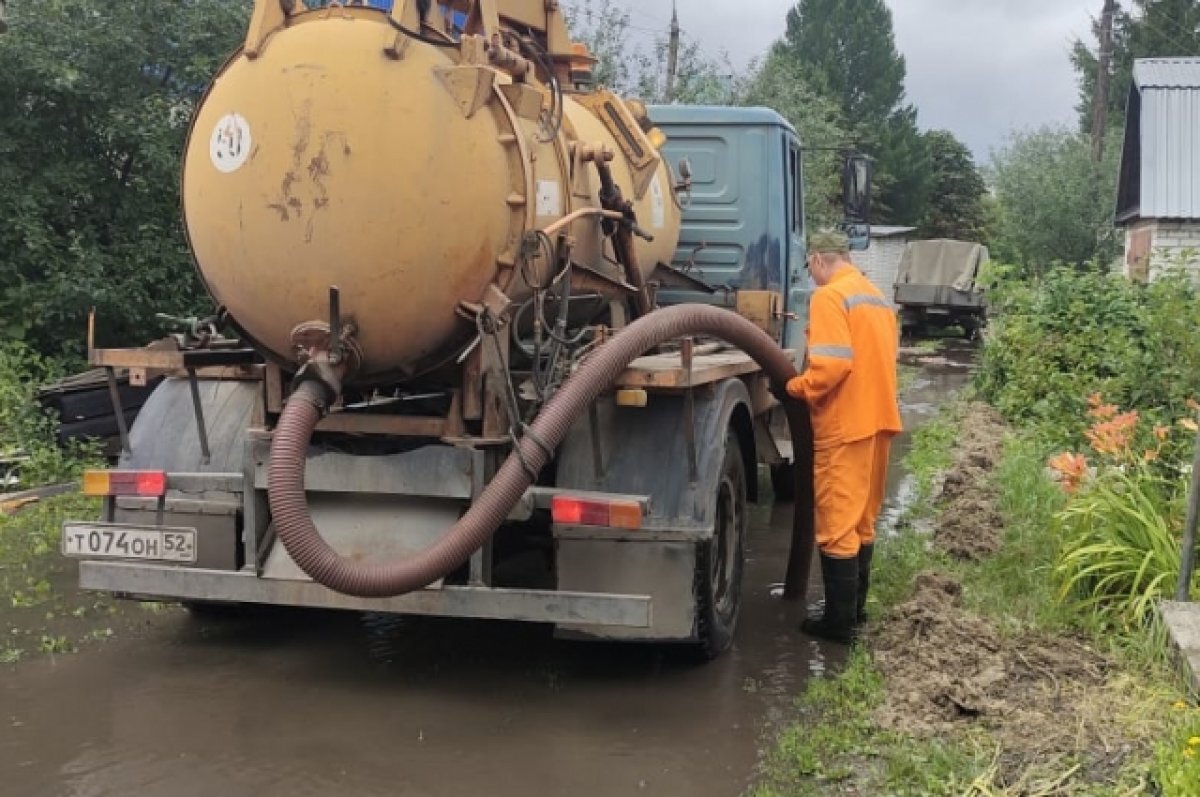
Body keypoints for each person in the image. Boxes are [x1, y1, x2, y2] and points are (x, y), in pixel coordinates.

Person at [786, 229, 902, 644]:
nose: (811, 276)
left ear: (819, 260)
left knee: (837, 521)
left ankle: (837, 626)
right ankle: (854, 612)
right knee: (862, 521)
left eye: (810, 268)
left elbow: (831, 367)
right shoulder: (874, 296)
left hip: (845, 424)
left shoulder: (830, 296)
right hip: (879, 420)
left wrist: (795, 386)